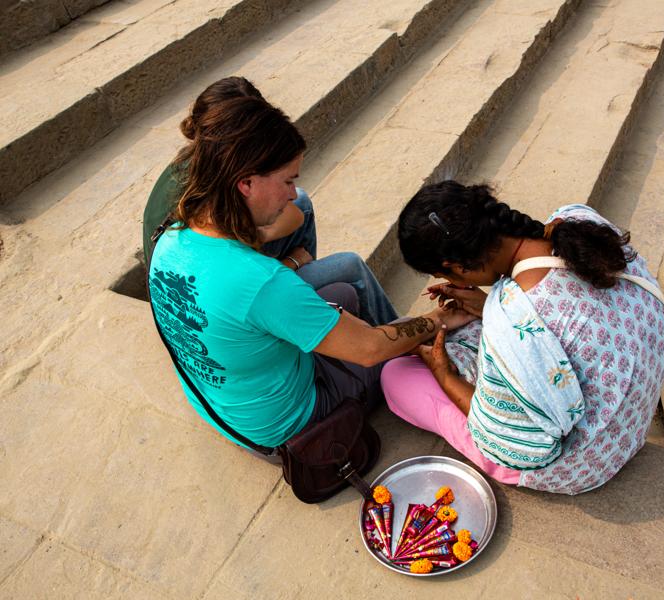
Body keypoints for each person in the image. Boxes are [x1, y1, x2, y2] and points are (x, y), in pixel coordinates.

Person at [148, 93, 474, 452]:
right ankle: (424, 356)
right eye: (287, 181)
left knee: (346, 289)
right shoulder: (263, 282)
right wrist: (438, 318)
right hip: (290, 424)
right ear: (246, 184)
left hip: (222, 405)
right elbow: (370, 348)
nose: (293, 193)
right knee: (391, 364)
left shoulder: (172, 236)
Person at [381, 181, 664, 494]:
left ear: (456, 266)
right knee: (442, 336)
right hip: (632, 416)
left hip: (588, 460)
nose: (450, 282)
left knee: (396, 375)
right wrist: (486, 307)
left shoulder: (513, 313)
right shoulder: (576, 222)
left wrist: (445, 375)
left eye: (447, 275)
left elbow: (515, 443)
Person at [143, 76, 397, 326]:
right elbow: (237, 282)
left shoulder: (196, 164)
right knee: (349, 266)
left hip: (200, 284)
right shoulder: (218, 194)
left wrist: (261, 237)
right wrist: (291, 263)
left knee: (302, 204)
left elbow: (296, 214)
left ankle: (305, 294)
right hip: (212, 305)